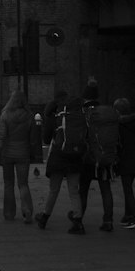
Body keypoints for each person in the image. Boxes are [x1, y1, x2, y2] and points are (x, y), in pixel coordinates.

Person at [36, 91, 85, 230]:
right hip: (75, 155)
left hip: (58, 155)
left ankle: (45, 217)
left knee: (54, 189)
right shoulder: (79, 115)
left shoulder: (55, 115)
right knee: (74, 190)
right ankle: (78, 221)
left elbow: (46, 139)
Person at [78, 78, 119, 232]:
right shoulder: (105, 112)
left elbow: (82, 135)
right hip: (104, 156)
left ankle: (78, 218)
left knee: (83, 190)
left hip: (88, 157)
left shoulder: (84, 112)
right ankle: (108, 220)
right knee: (105, 189)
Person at [0, 88, 38, 223]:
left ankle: (9, 213)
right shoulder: (29, 116)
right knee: (23, 184)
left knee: (8, 184)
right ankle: (27, 210)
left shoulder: (5, 115)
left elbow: (1, 136)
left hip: (7, 153)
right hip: (23, 152)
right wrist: (32, 153)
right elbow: (33, 139)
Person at [114, 97, 135, 228]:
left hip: (126, 160)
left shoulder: (120, 126)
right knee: (128, 187)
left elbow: (119, 144)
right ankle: (128, 215)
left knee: (127, 190)